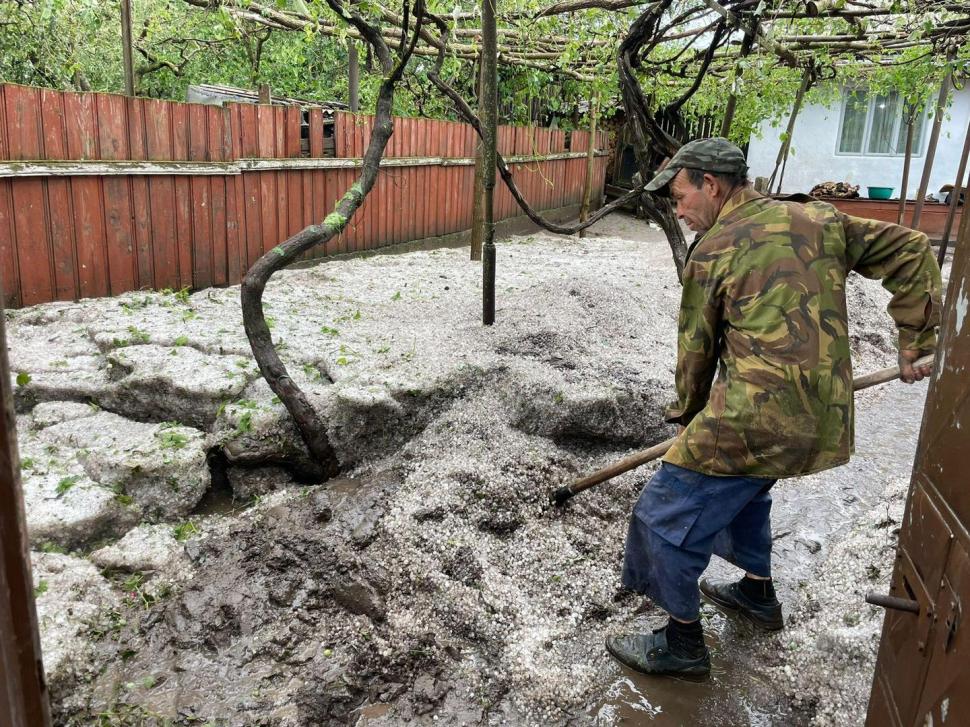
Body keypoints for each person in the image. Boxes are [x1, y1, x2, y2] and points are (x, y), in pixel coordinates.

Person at [606, 137, 943, 678]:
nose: (679, 210)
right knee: (745, 488)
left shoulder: (713, 251)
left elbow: (696, 353)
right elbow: (911, 249)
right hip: (823, 416)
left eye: (679, 197)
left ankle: (682, 645)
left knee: (662, 516)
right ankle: (757, 593)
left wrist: (691, 423)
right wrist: (917, 340)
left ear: (710, 185)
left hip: (753, 417)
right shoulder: (819, 219)